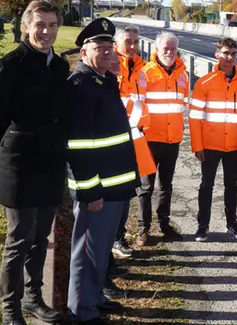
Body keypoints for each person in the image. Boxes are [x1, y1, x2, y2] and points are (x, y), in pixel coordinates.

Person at [0, 0, 68, 325]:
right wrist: (2, 158)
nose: (45, 31)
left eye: (52, 25)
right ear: (27, 26)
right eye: (40, 24)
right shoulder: (10, 65)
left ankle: (33, 299)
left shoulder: (59, 67)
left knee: (41, 238)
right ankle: (10, 309)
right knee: (19, 240)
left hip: (49, 165)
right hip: (17, 165)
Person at [66, 18, 140, 325]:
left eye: (111, 47)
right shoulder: (81, 86)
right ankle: (82, 311)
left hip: (116, 186)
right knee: (87, 254)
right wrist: (90, 191)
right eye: (101, 48)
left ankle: (94, 299)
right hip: (98, 190)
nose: (110, 53)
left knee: (100, 252)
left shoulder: (103, 80)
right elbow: (78, 146)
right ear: (84, 53)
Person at [189, 37, 237, 242]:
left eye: (234, 54)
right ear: (217, 55)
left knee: (231, 186)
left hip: (235, 146)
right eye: (226, 53)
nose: (230, 57)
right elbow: (194, 117)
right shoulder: (204, 83)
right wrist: (197, 146)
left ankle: (232, 224)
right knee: (206, 185)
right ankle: (202, 226)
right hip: (210, 145)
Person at [136, 32, 189, 243]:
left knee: (166, 185)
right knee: (145, 187)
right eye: (165, 48)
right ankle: (143, 228)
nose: (169, 52)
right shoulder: (145, 73)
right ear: (156, 49)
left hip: (172, 139)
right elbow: (137, 106)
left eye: (173, 49)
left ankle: (164, 224)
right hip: (149, 139)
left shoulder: (183, 74)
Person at [112, 26, 156, 257]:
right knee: (117, 194)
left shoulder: (141, 69)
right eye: (128, 42)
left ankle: (118, 238)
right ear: (116, 44)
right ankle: (114, 239)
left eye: (136, 42)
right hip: (116, 141)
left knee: (128, 191)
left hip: (136, 139)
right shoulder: (111, 66)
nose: (132, 46)